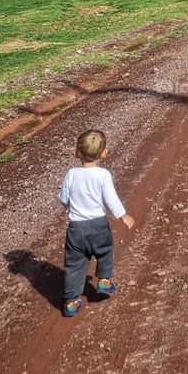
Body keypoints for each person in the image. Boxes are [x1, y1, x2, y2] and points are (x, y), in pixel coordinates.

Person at [59, 129, 134, 318]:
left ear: (76, 153)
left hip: (76, 228)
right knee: (106, 251)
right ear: (104, 153)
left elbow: (63, 199)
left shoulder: (71, 174)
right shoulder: (103, 175)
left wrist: (69, 203)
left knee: (74, 264)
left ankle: (71, 301)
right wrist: (123, 215)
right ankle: (104, 281)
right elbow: (111, 199)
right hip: (98, 226)